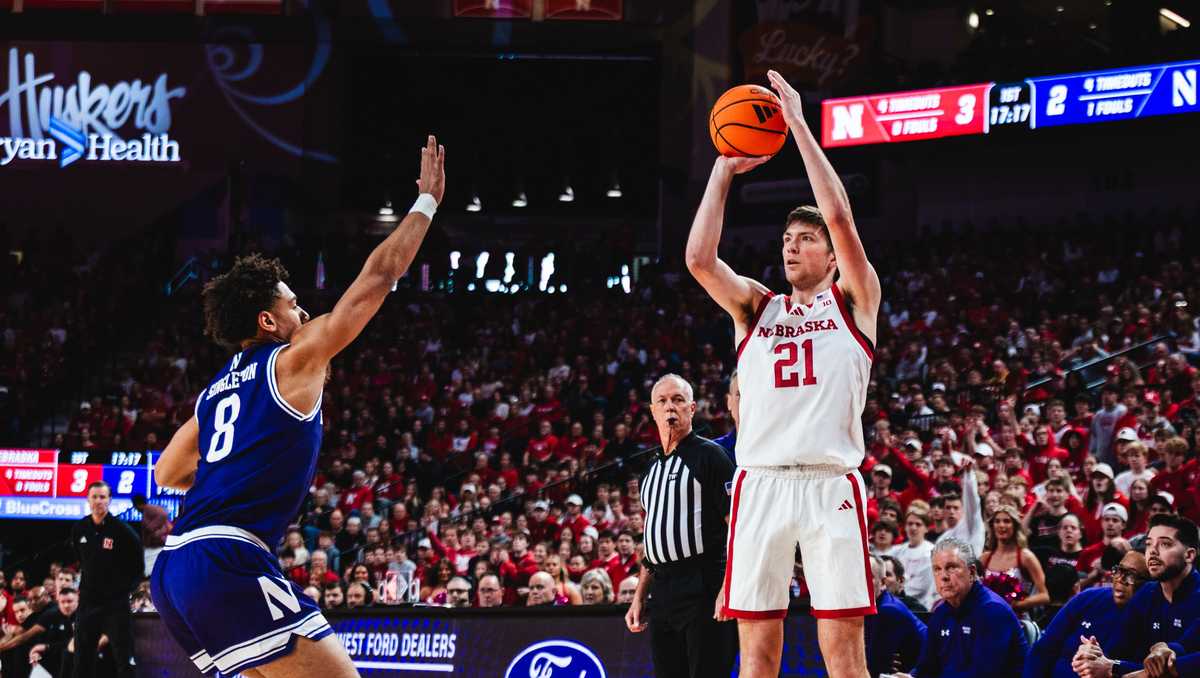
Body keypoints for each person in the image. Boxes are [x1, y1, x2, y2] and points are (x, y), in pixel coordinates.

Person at [149, 135, 445, 677]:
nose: (303, 309)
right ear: (268, 322)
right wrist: (426, 202)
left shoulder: (214, 391)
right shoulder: (291, 359)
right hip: (227, 559)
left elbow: (168, 471)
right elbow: (378, 280)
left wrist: (232, 472)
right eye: (291, 303)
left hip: (173, 569)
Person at [687, 68, 882, 678]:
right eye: (785, 238)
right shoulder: (755, 305)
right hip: (761, 483)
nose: (790, 247)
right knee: (758, 656)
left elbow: (843, 219)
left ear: (829, 253)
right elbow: (698, 258)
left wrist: (797, 123)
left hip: (830, 483)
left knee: (843, 653)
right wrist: (723, 167)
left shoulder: (855, 301)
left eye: (804, 238)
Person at [624, 374, 738, 678]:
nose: (669, 407)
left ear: (692, 408)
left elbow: (736, 528)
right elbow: (653, 539)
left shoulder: (711, 456)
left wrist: (728, 586)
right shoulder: (649, 470)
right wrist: (639, 596)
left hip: (704, 584)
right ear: (652, 411)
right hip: (662, 591)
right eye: (662, 401)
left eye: (677, 400)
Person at [1072, 514, 1200, 677]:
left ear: (1189, 555)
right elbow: (1117, 652)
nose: (1152, 551)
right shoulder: (1146, 593)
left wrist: (1114, 667)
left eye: (1165, 544)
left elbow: (1176, 664)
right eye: (1149, 544)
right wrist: (1095, 655)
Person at [896, 538, 1028, 678]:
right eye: (937, 569)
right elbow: (927, 666)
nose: (943, 577)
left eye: (951, 567)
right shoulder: (941, 612)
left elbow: (984, 673)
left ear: (971, 573)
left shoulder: (992, 611)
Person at [1024, 551, 1149, 678]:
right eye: (1119, 570)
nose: (1120, 579)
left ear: (1151, 583)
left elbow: (1153, 670)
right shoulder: (1088, 598)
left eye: (1131, 575)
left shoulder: (1153, 615)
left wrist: (1113, 666)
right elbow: (1043, 649)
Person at [71, 480, 143, 678]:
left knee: (124, 659)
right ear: (88, 499)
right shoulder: (79, 529)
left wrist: (124, 590)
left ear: (110, 500)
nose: (98, 501)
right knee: (82, 659)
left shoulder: (123, 531)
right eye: (94, 496)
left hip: (115, 604)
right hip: (88, 602)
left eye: (102, 497)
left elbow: (138, 567)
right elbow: (80, 558)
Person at [980, 505, 1050, 615]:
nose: (1001, 525)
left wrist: (1015, 604)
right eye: (997, 521)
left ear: (1015, 526)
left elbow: (1045, 596)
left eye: (1007, 521)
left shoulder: (1026, 557)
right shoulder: (985, 558)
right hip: (987, 617)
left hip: (1017, 620)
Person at [863, 555, 926, 677]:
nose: (862, 582)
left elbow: (872, 666)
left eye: (868, 577)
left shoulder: (888, 610)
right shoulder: (875, 603)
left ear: (882, 583)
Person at [131, 494, 172, 577]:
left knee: (150, 572)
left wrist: (152, 527)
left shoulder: (149, 508)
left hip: (157, 545)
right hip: (153, 545)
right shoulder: (146, 511)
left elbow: (163, 514)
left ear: (137, 504)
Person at [712, 371, 738, 463]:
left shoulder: (777, 448)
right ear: (729, 402)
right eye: (739, 394)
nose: (745, 401)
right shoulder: (712, 451)